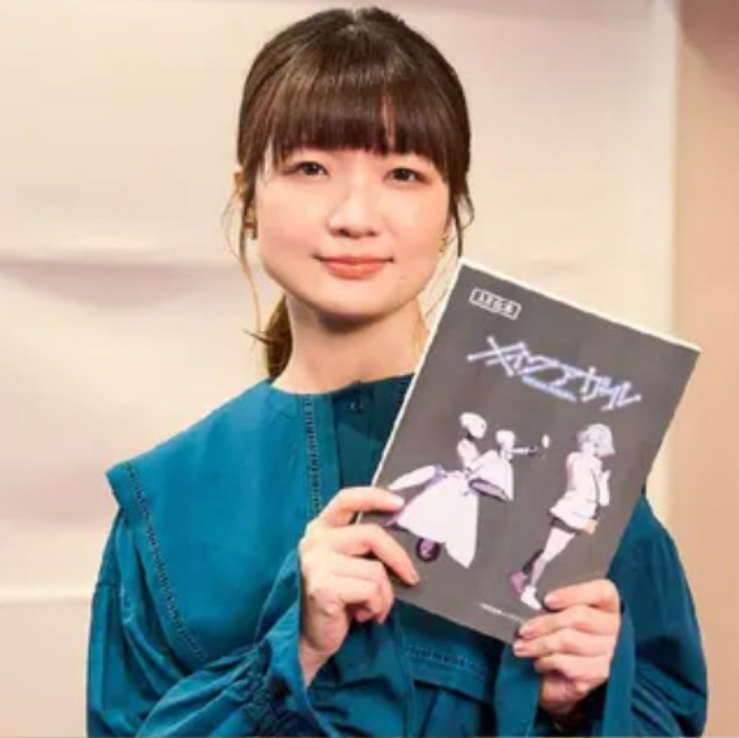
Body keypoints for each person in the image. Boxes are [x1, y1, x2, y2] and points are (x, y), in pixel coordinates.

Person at [86, 7, 707, 737]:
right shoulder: (169, 499)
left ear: (450, 210)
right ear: (247, 197)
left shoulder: (562, 450)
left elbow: (669, 713)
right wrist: (295, 655)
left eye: (403, 173)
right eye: (311, 168)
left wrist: (584, 702)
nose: (356, 216)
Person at [509, 424, 614, 612]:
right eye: (587, 441)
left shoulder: (595, 467)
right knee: (548, 554)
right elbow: (581, 488)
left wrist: (602, 482)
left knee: (550, 551)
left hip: (580, 517)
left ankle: (520, 576)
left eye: (593, 444)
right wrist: (597, 485)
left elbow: (603, 500)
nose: (588, 446)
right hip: (569, 513)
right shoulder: (577, 460)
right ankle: (529, 591)